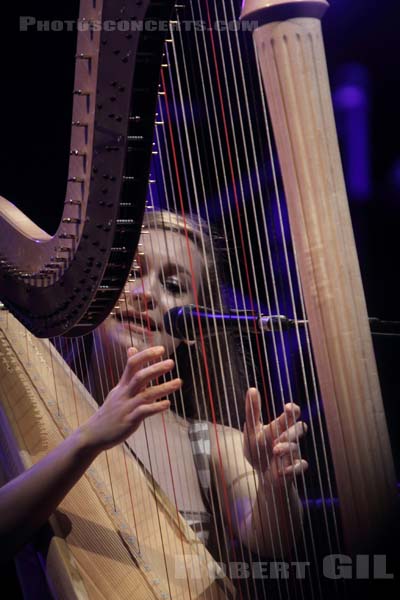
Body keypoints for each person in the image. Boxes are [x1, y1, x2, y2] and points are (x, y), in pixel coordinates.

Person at [0, 209, 308, 565]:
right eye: (132, 272)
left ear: (196, 332)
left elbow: (274, 541)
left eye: (174, 286)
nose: (148, 294)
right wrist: (88, 438)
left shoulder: (211, 444)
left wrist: (274, 483)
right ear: (91, 290)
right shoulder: (22, 413)